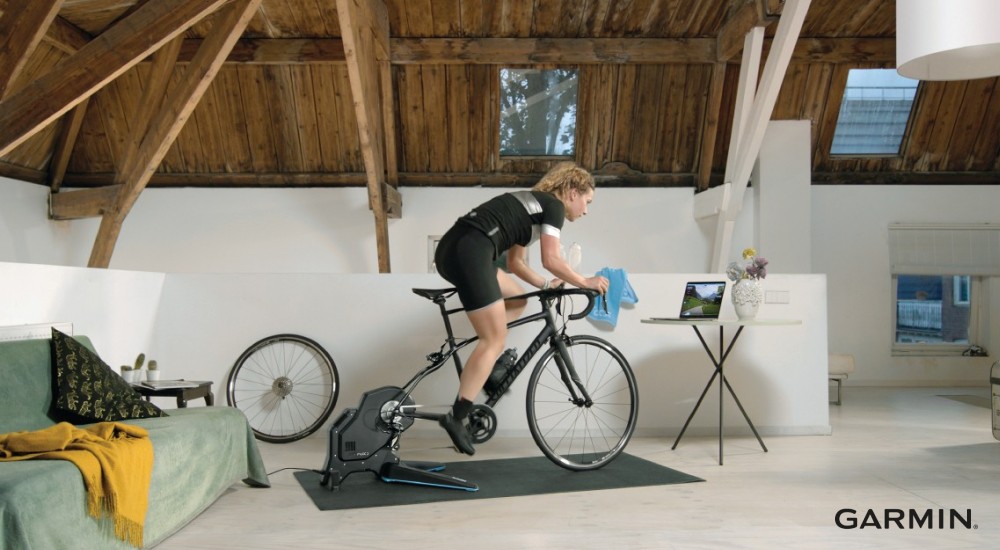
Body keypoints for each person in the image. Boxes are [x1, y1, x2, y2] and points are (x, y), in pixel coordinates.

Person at [433, 161, 610, 454]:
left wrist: (544, 285)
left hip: (456, 248)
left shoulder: (531, 208)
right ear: (570, 191)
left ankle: (488, 367)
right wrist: (585, 281)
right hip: (472, 250)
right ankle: (457, 417)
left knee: (517, 298)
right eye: (586, 201)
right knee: (493, 338)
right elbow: (551, 260)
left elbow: (516, 264)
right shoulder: (552, 207)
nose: (586, 210)